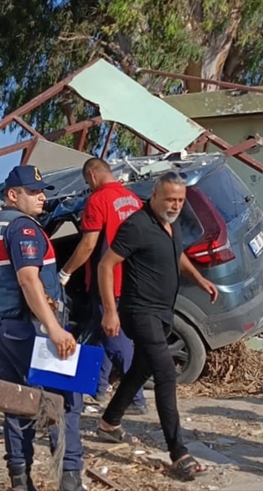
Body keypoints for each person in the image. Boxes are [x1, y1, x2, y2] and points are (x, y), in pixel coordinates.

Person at [94, 171, 216, 482]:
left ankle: (109, 421)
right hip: (139, 312)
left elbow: (176, 256)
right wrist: (110, 311)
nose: (175, 205)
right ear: (155, 195)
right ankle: (179, 452)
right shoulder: (136, 225)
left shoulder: (170, 224)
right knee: (165, 373)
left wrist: (199, 278)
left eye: (180, 200)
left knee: (141, 370)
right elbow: (105, 265)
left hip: (163, 312)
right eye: (170, 199)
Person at [0, 165, 87, 491]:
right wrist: (54, 328)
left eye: (42, 191)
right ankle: (69, 480)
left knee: (17, 404)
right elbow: (28, 279)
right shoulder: (24, 229)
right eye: (32, 192)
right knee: (65, 402)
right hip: (33, 330)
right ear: (13, 195)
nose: (41, 197)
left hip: (1, 327)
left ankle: (19, 478)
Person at [57, 158, 146, 412]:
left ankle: (135, 397)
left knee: (116, 340)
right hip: (132, 280)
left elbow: (88, 245)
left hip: (107, 281)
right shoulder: (134, 200)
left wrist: (66, 272)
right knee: (98, 336)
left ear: (93, 176)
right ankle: (96, 388)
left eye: (87, 182)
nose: (88, 186)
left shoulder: (97, 200)